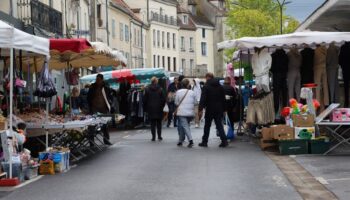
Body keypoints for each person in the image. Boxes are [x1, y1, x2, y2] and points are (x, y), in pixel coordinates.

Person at [198, 73, 228, 148]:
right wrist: (224, 109)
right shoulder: (220, 87)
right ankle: (224, 141)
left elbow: (203, 99)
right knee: (219, 125)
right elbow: (223, 99)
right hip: (219, 108)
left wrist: (200, 109)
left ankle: (204, 142)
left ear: (207, 77)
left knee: (207, 126)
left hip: (210, 108)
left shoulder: (206, 86)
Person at [87, 74, 113, 145]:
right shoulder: (92, 87)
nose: (97, 80)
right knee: (92, 124)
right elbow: (88, 97)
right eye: (96, 79)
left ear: (102, 79)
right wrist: (90, 107)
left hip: (103, 108)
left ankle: (106, 140)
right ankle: (91, 141)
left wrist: (110, 103)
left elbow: (110, 96)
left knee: (105, 124)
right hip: (94, 108)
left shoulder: (106, 87)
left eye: (98, 79)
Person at [175, 79, 196, 147]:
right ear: (188, 85)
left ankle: (191, 140)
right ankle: (180, 140)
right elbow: (195, 102)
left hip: (182, 112)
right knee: (183, 126)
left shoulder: (178, 92)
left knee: (185, 126)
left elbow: (176, 102)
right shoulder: (192, 92)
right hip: (190, 112)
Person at [144, 77, 166, 141]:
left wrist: (146, 108)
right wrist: (162, 106)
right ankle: (159, 136)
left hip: (150, 108)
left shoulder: (147, 89)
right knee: (159, 123)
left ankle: (153, 137)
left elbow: (144, 100)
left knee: (152, 123)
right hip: (159, 108)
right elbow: (163, 99)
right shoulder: (160, 89)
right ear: (156, 81)